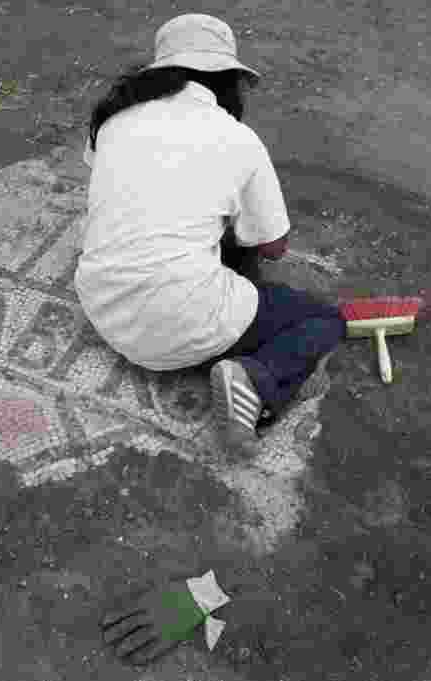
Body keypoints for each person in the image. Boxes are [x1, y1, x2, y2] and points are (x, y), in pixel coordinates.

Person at [75, 13, 345, 457]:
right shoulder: (237, 137)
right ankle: (253, 378)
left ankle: (213, 329)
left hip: (102, 307)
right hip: (183, 323)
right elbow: (273, 246)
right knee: (323, 320)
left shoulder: (113, 120)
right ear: (228, 81)